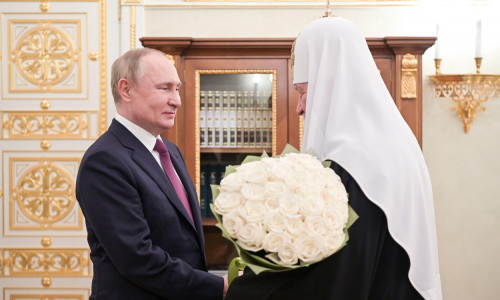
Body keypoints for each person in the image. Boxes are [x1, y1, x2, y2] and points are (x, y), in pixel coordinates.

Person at [226, 16, 442, 299]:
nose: (300, 108)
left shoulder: (354, 162)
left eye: (303, 92)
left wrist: (247, 289)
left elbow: (338, 278)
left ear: (330, 83)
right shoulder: (395, 144)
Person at [76, 48, 228, 299]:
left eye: (177, 88)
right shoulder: (104, 161)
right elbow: (137, 258)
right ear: (126, 90)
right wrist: (217, 287)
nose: (177, 100)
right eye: (164, 88)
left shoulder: (170, 150)